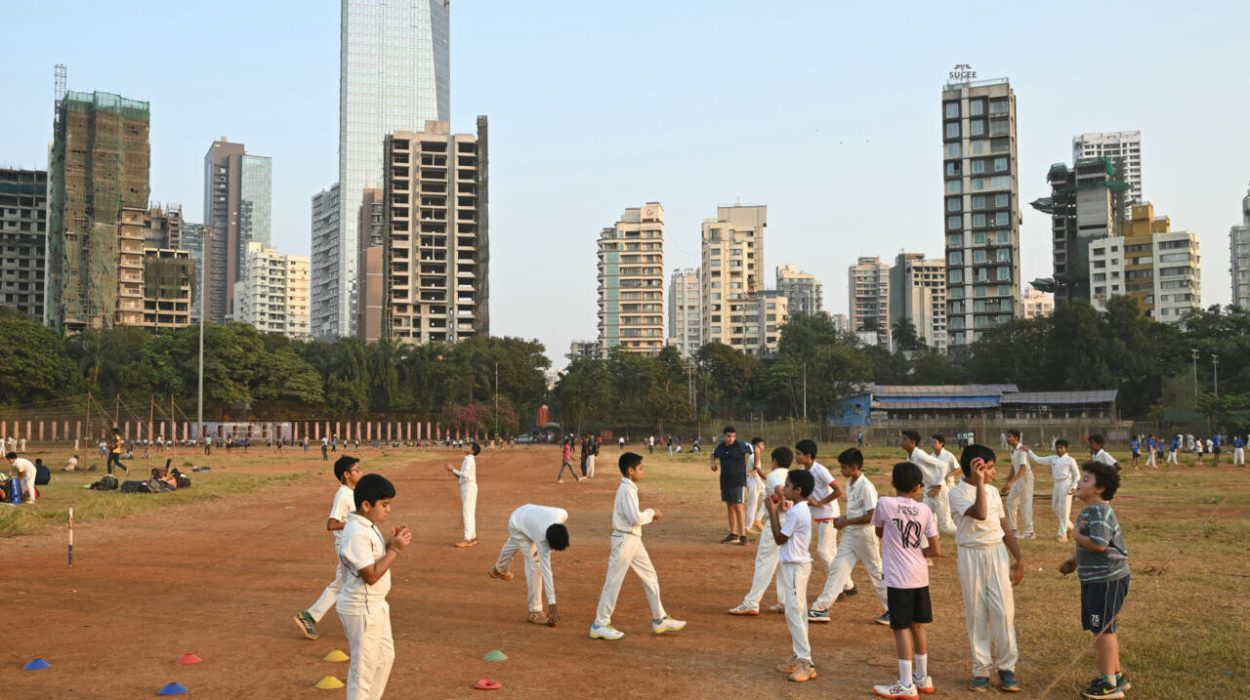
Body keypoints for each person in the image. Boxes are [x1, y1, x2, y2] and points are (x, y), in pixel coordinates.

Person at [947, 445, 1024, 693]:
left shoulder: (992, 492)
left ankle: (1006, 667)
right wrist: (979, 482)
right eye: (989, 467)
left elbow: (1004, 525)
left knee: (1003, 612)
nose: (994, 472)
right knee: (977, 612)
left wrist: (1019, 558)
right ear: (976, 468)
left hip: (996, 553)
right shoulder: (957, 492)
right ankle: (981, 668)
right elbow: (979, 514)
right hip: (971, 554)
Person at [589, 452, 686, 640]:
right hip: (624, 539)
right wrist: (651, 512)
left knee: (649, 575)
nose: (643, 471)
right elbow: (635, 518)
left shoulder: (629, 487)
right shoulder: (626, 489)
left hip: (633, 538)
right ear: (630, 470)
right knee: (613, 581)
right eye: (640, 468)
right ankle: (600, 624)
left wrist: (648, 514)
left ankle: (659, 618)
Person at [336, 473, 411, 700]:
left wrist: (390, 543)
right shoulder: (356, 532)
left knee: (384, 658)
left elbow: (373, 558)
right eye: (384, 505)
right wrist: (395, 550)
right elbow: (370, 575)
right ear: (366, 505)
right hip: (361, 608)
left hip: (376, 605)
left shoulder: (368, 524)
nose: (388, 510)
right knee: (363, 672)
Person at [1059, 461, 1131, 699]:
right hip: (1095, 579)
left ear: (1099, 488)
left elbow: (1099, 545)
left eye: (1086, 479)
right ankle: (1116, 675)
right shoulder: (1090, 510)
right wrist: (1074, 560)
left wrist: (1077, 536)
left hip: (1106, 580)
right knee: (1103, 628)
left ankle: (1109, 684)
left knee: (1103, 629)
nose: (1079, 483)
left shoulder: (1099, 510)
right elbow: (1095, 546)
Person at [871, 461, 941, 699]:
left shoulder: (885, 503)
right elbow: (936, 549)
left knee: (901, 628)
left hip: (898, 577)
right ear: (919, 486)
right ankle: (922, 677)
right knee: (918, 626)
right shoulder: (925, 509)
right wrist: (921, 553)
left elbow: (879, 531)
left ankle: (905, 683)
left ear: (893, 483)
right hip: (920, 574)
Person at [808, 447, 890, 626]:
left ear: (854, 467)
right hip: (851, 534)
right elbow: (857, 512)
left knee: (876, 571)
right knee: (838, 569)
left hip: (865, 535)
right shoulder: (851, 483)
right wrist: (845, 521)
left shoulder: (866, 486)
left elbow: (872, 516)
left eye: (844, 467)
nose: (841, 471)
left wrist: (846, 521)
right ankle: (820, 608)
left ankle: (894, 609)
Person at [294, 455, 363, 640]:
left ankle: (310, 616)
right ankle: (359, 622)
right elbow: (332, 524)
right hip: (346, 545)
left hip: (352, 544)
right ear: (347, 474)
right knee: (353, 581)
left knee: (342, 583)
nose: (360, 473)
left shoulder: (352, 493)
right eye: (357, 470)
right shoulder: (343, 495)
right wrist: (352, 522)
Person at [764, 468, 817, 683]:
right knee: (797, 611)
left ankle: (806, 661)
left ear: (798, 490)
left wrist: (773, 511)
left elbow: (779, 539)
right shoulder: (798, 508)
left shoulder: (797, 511)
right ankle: (799, 657)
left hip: (796, 566)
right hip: (795, 565)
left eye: (787, 486)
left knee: (794, 612)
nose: (784, 489)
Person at [728, 446, 795, 616]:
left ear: (774, 461)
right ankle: (785, 601)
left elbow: (780, 490)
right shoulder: (790, 475)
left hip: (776, 522)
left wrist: (780, 505)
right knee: (782, 562)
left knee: (764, 561)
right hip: (790, 523)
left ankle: (751, 602)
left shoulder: (774, 475)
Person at [487, 504, 571, 625]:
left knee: (516, 541)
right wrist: (552, 604)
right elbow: (546, 570)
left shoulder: (562, 514)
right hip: (516, 523)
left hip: (526, 513)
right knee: (535, 567)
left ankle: (499, 569)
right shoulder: (542, 541)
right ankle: (535, 611)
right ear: (547, 542)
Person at [795, 439, 853, 600]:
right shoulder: (803, 471)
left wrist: (820, 503)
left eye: (798, 454)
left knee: (823, 551)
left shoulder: (820, 470)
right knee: (831, 552)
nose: (796, 456)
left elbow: (838, 490)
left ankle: (837, 588)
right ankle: (848, 585)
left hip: (829, 514)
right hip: (821, 516)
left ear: (808, 456)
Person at [902, 431, 957, 537]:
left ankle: (968, 537)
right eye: (902, 439)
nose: (901, 442)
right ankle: (930, 548)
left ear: (913, 442)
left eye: (905, 439)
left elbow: (943, 465)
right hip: (929, 491)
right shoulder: (909, 457)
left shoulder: (919, 454)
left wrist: (938, 485)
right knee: (924, 521)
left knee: (946, 527)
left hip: (938, 492)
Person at [1027, 440, 1082, 542]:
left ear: (1066, 448)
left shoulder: (1070, 460)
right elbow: (1039, 460)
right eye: (1057, 447)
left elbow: (1077, 475)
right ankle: (1070, 526)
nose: (1059, 450)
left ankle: (1062, 535)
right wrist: (1029, 451)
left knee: (1064, 510)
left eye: (1061, 448)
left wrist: (1074, 486)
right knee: (1055, 508)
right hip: (1057, 484)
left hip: (1066, 484)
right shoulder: (1053, 458)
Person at [710, 426, 752, 545]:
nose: (731, 438)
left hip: (738, 481)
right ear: (724, 436)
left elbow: (757, 449)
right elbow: (713, 454)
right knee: (729, 505)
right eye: (729, 436)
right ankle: (733, 534)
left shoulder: (741, 445)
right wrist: (713, 463)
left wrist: (755, 467)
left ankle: (743, 536)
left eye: (733, 436)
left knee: (739, 506)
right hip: (725, 480)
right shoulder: (721, 446)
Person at [1000, 430, 1034, 539]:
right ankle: (1013, 530)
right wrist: (1007, 483)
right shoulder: (1013, 451)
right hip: (1018, 479)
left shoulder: (1022, 450)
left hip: (1025, 478)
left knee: (1025, 504)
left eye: (1009, 437)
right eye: (1006, 436)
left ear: (1016, 438)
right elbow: (1013, 468)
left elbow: (1023, 469)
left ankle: (1029, 532)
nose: (1007, 439)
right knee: (1010, 501)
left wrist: (1011, 483)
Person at [445, 442, 480, 547]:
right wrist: (452, 471)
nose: (466, 446)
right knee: (470, 512)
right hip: (469, 486)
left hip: (468, 487)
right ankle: (472, 537)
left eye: (469, 446)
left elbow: (464, 475)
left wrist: (452, 469)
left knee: (467, 513)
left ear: (472, 451)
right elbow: (463, 476)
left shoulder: (469, 459)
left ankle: (468, 539)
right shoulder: (469, 459)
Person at [745, 437, 767, 535]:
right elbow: (757, 470)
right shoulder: (753, 455)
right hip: (753, 481)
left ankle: (757, 520)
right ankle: (748, 527)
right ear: (757, 445)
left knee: (769, 497)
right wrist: (768, 477)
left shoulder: (755, 455)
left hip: (758, 480)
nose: (763, 446)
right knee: (752, 504)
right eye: (762, 444)